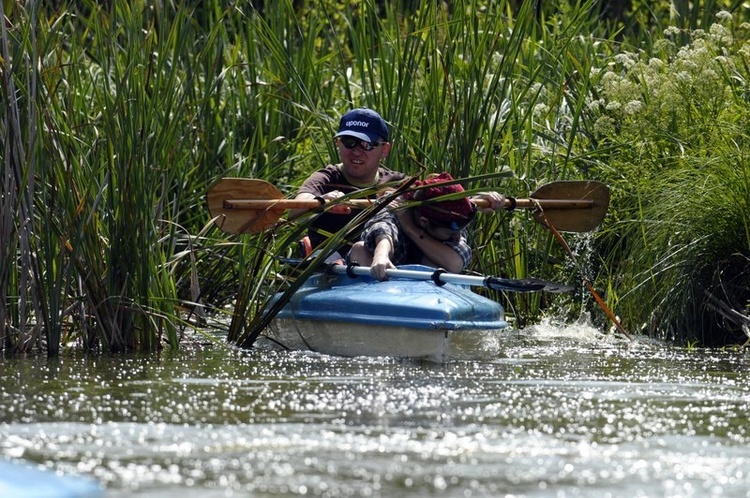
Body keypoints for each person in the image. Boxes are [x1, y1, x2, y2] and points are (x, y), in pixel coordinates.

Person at [291, 108, 407, 256]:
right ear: (339, 144)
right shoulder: (326, 178)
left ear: (384, 150)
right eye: (349, 142)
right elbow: (295, 210)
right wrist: (323, 201)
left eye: (366, 144)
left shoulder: (399, 183)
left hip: (382, 267)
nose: (357, 151)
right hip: (332, 268)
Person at [347, 172, 505, 280]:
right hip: (386, 273)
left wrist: (411, 229)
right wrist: (381, 255)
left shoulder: (458, 211)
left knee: (439, 264)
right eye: (450, 234)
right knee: (360, 249)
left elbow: (456, 263)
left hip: (423, 288)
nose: (456, 237)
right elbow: (382, 226)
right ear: (424, 221)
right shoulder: (394, 203)